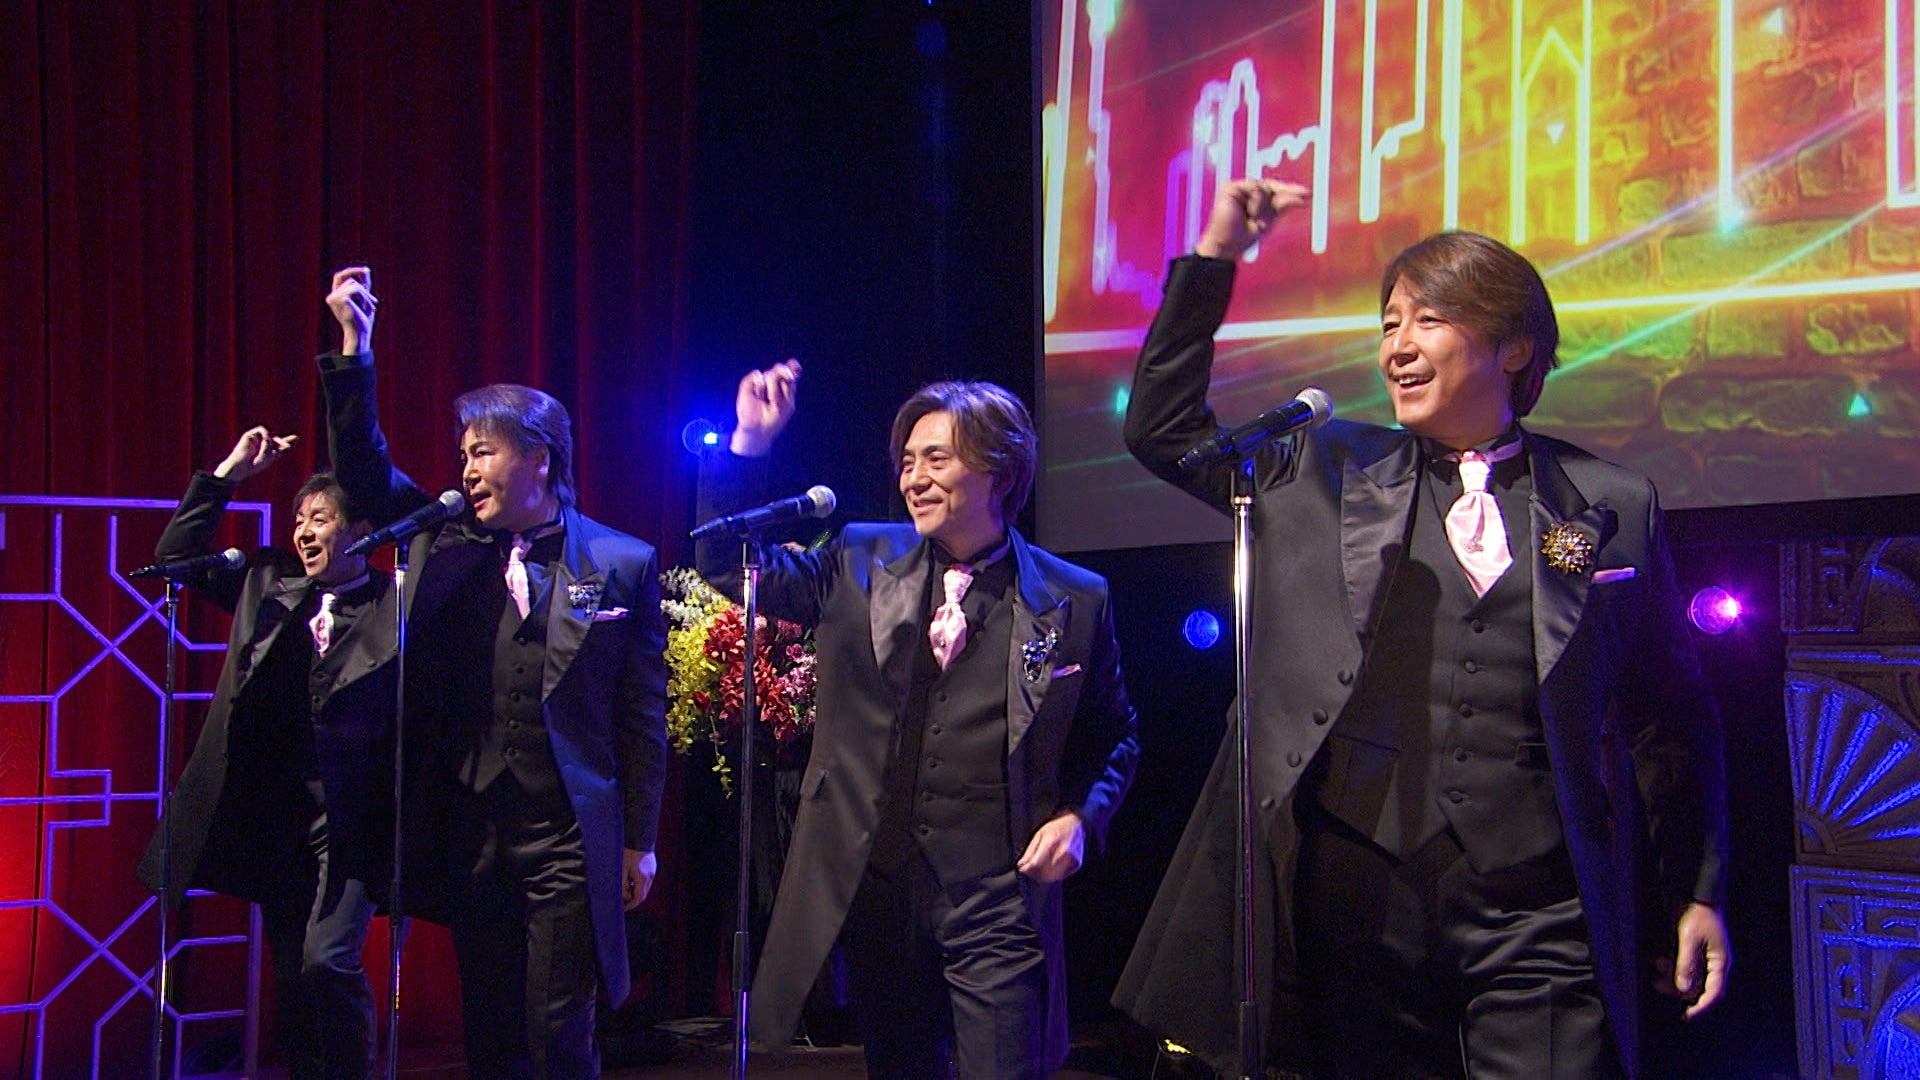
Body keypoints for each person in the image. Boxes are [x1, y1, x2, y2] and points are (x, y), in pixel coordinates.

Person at [1114, 179, 1732, 1079]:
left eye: (1429, 320)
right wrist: (1215, 257)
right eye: (1389, 324)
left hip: (1537, 901)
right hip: (1360, 897)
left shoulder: (1611, 502)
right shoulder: (1322, 467)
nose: (1398, 345)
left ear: (1514, 345)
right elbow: (1164, 432)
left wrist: (1697, 889)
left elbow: (1668, 715)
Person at [697, 362, 1139, 1079]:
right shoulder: (858, 557)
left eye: (937, 458)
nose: (914, 478)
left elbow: (1115, 736)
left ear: (999, 470)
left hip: (998, 898)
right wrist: (749, 443)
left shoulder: (1075, 597)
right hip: (881, 895)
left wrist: (1081, 819)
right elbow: (725, 560)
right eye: (907, 462)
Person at [316, 266, 669, 1079]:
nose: (467, 469)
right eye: (463, 454)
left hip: (568, 836)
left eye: (484, 451)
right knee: (492, 1033)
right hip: (472, 833)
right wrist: (355, 347)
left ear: (540, 458)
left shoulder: (621, 562)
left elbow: (640, 714)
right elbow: (365, 473)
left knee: (559, 1031)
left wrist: (641, 841)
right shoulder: (446, 544)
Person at [139, 428, 394, 1080]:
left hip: (355, 819)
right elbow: (175, 556)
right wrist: (226, 474)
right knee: (294, 976)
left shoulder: (395, 603)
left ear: (361, 529)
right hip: (282, 818)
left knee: (327, 958)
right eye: (299, 520)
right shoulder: (266, 582)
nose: (304, 531)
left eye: (321, 518)